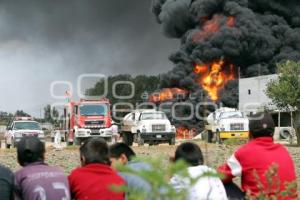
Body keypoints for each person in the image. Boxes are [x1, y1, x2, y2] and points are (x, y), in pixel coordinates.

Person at [218, 113, 297, 199]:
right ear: (273, 132)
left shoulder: (245, 152)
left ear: (249, 133)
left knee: (221, 183)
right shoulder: (284, 150)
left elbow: (219, 176)